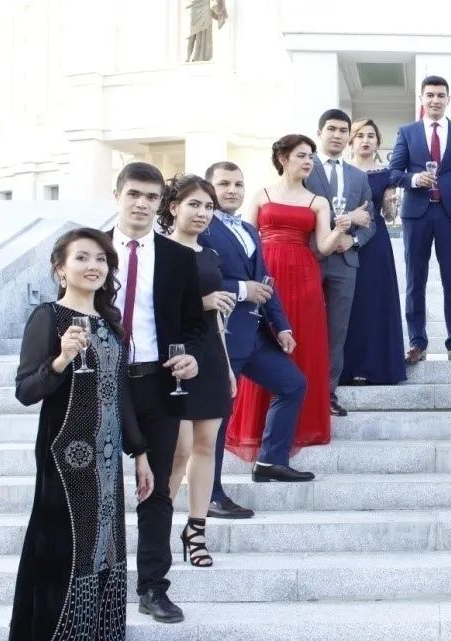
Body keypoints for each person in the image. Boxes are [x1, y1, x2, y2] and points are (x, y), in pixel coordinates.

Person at [9, 228, 153, 641]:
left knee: (105, 551)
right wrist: (61, 359)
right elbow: (25, 391)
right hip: (65, 456)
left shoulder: (110, 322)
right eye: (82, 258)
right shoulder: (48, 317)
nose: (93, 266)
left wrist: (140, 453)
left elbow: (120, 393)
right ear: (60, 269)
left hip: (106, 461)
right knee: (66, 550)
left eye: (101, 259)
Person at [107, 161, 203, 623]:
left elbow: (194, 326)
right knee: (95, 488)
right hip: (99, 383)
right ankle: (93, 582)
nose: (142, 204)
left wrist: (193, 357)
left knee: (157, 488)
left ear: (160, 203)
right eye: (134, 194)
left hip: (157, 381)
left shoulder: (178, 258)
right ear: (117, 196)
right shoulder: (91, 250)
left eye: (151, 197)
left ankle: (152, 587)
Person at [201, 161, 314, 514]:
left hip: (256, 335)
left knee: (293, 384)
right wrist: (241, 289)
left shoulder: (250, 229)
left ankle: (270, 461)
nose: (232, 190)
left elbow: (264, 281)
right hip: (220, 336)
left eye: (238, 184)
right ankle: (210, 493)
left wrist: (282, 326)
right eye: (224, 184)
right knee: (219, 415)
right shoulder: (201, 226)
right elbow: (196, 280)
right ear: (209, 188)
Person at [230, 135, 349, 457]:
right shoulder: (261, 194)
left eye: (311, 156)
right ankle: (254, 427)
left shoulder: (318, 201)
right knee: (260, 344)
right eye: (301, 155)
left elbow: (324, 247)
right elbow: (246, 241)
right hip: (266, 274)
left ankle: (297, 427)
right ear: (283, 158)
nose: (309, 161)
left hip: (304, 277)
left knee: (302, 345)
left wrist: (341, 229)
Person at [158, 174, 236, 567]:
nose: (202, 213)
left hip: (211, 355)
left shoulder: (210, 253)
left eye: (208, 206)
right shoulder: (158, 252)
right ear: (174, 207)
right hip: (174, 355)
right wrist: (202, 302)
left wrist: (227, 366)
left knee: (206, 445)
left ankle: (196, 530)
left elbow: (216, 317)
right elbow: (156, 310)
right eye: (194, 204)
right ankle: (158, 532)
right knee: (180, 449)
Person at [390, 74, 451, 365]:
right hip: (416, 214)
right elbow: (394, 173)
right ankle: (417, 342)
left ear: (448, 99)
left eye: (440, 95)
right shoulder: (407, 132)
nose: (435, 100)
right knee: (415, 280)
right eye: (430, 95)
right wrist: (414, 179)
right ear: (422, 99)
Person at [304, 108, 376, 416]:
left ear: (348, 136)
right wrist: (343, 222)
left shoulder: (358, 176)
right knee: (304, 326)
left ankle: (328, 394)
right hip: (309, 257)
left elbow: (370, 222)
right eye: (331, 129)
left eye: (343, 130)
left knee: (337, 330)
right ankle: (301, 392)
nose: (337, 135)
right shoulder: (305, 167)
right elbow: (298, 209)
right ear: (319, 133)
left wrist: (353, 240)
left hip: (345, 262)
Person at [343, 119, 408, 386]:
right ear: (352, 141)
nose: (365, 140)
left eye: (371, 136)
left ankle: (376, 366)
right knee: (349, 301)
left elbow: (389, 216)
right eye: (360, 135)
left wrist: (392, 204)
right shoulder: (341, 171)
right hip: (343, 237)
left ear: (378, 142)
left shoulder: (386, 174)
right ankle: (345, 366)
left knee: (375, 300)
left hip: (377, 241)